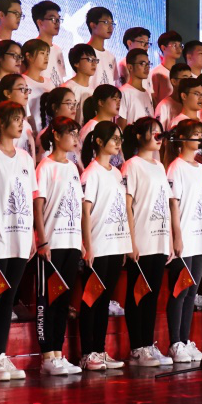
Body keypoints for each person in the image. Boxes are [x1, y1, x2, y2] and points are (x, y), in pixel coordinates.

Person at [0, 100, 42, 381]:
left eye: (22, 119)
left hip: (20, 238)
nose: (20, 124)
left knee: (9, 299)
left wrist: (33, 234)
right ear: (1, 123)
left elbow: (32, 196)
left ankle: (1, 354)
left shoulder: (25, 158)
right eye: (15, 119)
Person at [76, 121, 133, 371]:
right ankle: (87, 353)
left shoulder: (116, 173)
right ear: (99, 142)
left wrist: (125, 243)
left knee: (104, 300)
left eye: (120, 138)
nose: (118, 143)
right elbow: (85, 212)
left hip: (115, 244)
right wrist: (87, 246)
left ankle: (99, 350)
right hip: (98, 246)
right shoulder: (91, 173)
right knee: (92, 300)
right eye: (114, 138)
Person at [34, 117, 85, 375]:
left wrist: (81, 241)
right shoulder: (45, 166)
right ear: (56, 135)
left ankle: (58, 352)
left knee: (64, 300)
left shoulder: (73, 167)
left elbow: (78, 205)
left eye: (77, 134)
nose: (75, 138)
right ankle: (47, 356)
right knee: (48, 300)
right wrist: (42, 240)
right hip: (52, 243)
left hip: (71, 242)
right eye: (70, 133)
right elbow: (38, 206)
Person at [122, 117, 174, 367]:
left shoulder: (160, 166)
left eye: (160, 132)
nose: (158, 137)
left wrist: (170, 239)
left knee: (152, 295)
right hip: (141, 238)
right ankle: (137, 347)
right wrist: (131, 241)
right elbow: (127, 206)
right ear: (139, 136)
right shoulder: (131, 165)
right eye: (153, 132)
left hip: (159, 238)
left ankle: (147, 344)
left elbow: (165, 202)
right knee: (138, 294)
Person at [165, 120, 202, 363]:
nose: (199, 139)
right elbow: (173, 204)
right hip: (185, 236)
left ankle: (185, 340)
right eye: (195, 134)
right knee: (180, 291)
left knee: (192, 291)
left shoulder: (201, 168)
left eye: (201, 134)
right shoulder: (176, 167)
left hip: (200, 236)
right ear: (182, 138)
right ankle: (175, 342)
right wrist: (177, 236)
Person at [0, 74, 40, 162]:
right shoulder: (3, 122)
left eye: (27, 89)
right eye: (22, 89)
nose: (26, 92)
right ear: (7, 93)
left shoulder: (26, 124)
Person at [81, 84, 124, 170]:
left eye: (119, 99)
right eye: (114, 99)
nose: (118, 103)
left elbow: (120, 157)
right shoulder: (91, 127)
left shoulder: (117, 128)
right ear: (101, 102)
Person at [20, 38, 55, 135]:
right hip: (30, 133)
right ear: (28, 56)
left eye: (47, 54)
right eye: (42, 53)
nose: (46, 57)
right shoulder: (22, 81)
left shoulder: (49, 82)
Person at [31, 0, 69, 87]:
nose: (57, 23)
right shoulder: (32, 48)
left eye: (59, 19)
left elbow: (60, 78)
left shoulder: (58, 50)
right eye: (52, 19)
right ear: (40, 23)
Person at [118, 47, 155, 128]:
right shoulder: (123, 92)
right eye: (142, 64)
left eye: (148, 64)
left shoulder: (147, 93)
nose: (147, 67)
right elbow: (121, 126)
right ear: (130, 67)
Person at [85, 7, 119, 87]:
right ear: (93, 25)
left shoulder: (111, 57)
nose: (110, 27)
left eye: (112, 23)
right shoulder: (83, 53)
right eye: (106, 22)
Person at [154, 63, 193, 127]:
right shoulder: (163, 106)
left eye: (191, 78)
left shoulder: (193, 104)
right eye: (185, 78)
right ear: (174, 82)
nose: (189, 82)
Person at [150, 30, 183, 105]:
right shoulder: (156, 73)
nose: (179, 49)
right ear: (163, 48)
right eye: (174, 45)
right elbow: (154, 100)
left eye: (180, 45)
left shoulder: (181, 72)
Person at [64, 43, 98, 117]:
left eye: (95, 60)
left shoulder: (93, 90)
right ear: (76, 63)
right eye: (89, 59)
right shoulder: (68, 88)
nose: (94, 64)